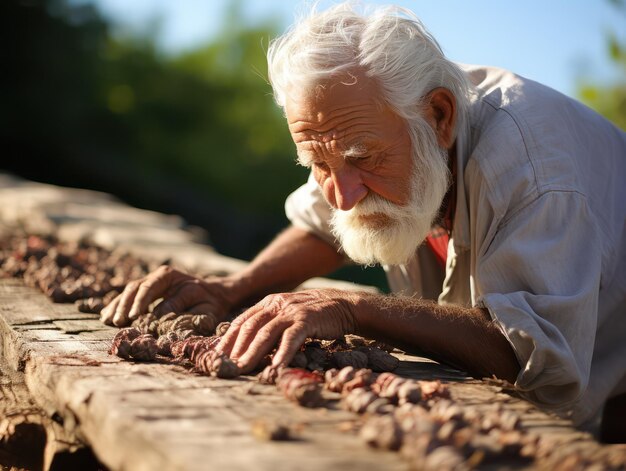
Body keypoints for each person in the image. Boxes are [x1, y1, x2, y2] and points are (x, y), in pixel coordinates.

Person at [100, 3, 626, 436]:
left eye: (362, 160)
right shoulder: (364, 120)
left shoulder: (536, 169)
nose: (342, 196)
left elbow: (531, 352)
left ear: (439, 117)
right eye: (319, 165)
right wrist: (233, 289)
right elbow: (321, 226)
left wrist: (354, 308)